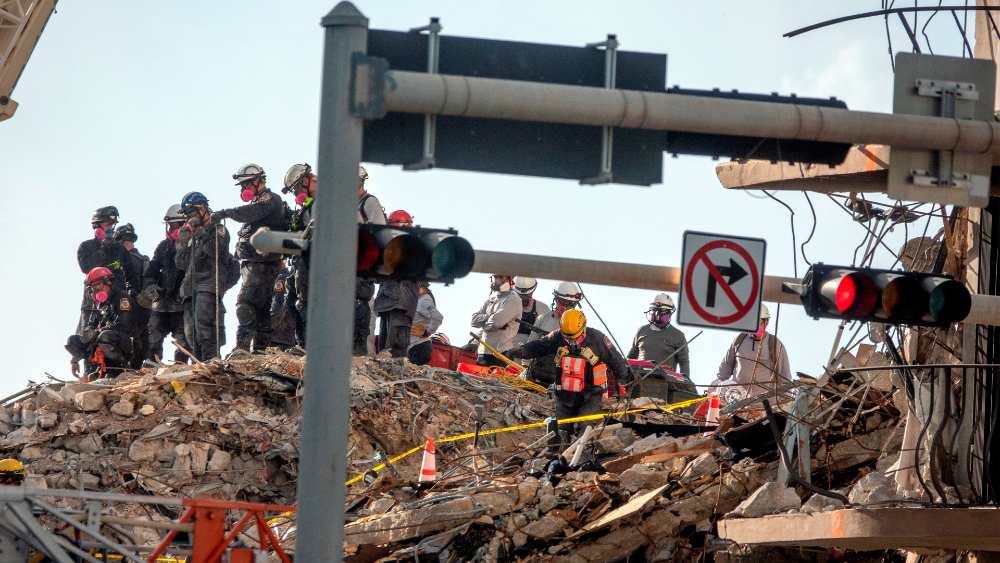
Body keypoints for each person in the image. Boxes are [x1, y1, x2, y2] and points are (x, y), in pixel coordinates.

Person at [503, 310, 630, 440]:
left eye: (574, 337)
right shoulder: (558, 336)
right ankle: (561, 451)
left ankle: (584, 451)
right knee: (561, 430)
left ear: (583, 328)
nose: (571, 341)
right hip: (565, 394)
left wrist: (622, 384)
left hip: (590, 395)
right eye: (567, 337)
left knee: (586, 428)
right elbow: (539, 346)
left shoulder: (598, 339)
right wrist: (521, 351)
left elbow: (616, 361)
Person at [211, 164, 287, 352]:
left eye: (246, 185)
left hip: (262, 264)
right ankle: (259, 351)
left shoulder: (269, 200)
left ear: (257, 181)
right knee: (261, 312)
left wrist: (227, 212)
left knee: (244, 305)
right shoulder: (258, 203)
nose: (243, 189)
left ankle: (242, 349)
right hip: (256, 264)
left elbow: (252, 212)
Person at [176, 192, 232, 361]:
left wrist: (200, 232)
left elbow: (214, 250)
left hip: (208, 285)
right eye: (187, 216)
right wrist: (183, 244)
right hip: (190, 289)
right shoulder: (194, 235)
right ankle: (199, 365)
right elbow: (181, 264)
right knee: (190, 333)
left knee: (204, 327)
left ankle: (211, 362)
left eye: (192, 214)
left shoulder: (218, 229)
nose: (189, 219)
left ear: (202, 209)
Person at [66, 267, 141, 380]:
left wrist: (96, 333)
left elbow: (124, 325)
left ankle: (122, 367)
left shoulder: (122, 298)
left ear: (108, 282)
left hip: (126, 342)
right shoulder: (100, 305)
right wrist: (75, 359)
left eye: (97, 285)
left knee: (104, 336)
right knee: (73, 340)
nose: (95, 290)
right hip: (104, 339)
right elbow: (91, 325)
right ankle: (97, 368)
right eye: (92, 288)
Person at [76, 206, 139, 332]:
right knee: (84, 337)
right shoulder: (86, 247)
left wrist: (132, 293)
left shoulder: (119, 249)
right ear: (97, 226)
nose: (110, 228)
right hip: (92, 303)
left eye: (112, 225)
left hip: (115, 301)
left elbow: (130, 273)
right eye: (107, 224)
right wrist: (103, 249)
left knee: (111, 334)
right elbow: (86, 268)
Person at [143, 205, 190, 366]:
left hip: (182, 303)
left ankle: (180, 366)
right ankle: (152, 363)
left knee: (183, 339)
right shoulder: (163, 246)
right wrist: (150, 285)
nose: (172, 229)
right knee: (154, 335)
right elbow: (152, 270)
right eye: (170, 226)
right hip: (161, 302)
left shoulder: (194, 246)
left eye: (176, 226)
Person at [715, 304, 793, 401]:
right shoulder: (739, 340)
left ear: (766, 323)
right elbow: (726, 367)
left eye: (757, 322)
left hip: (764, 406)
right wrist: (719, 387)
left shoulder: (775, 345)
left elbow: (785, 378)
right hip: (737, 404)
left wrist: (784, 403)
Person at [374, 210, 419, 358]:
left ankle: (397, 372)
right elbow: (377, 276)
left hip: (400, 304)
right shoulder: (391, 246)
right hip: (387, 302)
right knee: (384, 350)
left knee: (395, 348)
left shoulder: (411, 246)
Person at [282, 163, 316, 346]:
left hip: (313, 260)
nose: (295, 193)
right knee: (292, 301)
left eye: (296, 188)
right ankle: (301, 343)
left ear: (306, 181)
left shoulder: (326, 201)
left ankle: (309, 345)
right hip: (300, 260)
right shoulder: (307, 206)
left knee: (307, 302)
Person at [523, 281, 583, 385]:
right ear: (556, 299)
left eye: (570, 303)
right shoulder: (543, 319)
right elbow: (531, 344)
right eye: (563, 301)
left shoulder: (578, 325)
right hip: (538, 373)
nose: (566, 305)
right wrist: (525, 368)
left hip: (563, 376)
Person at [113, 223, 151, 369]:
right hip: (145, 310)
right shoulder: (143, 259)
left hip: (130, 309)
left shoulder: (127, 262)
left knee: (131, 341)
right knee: (143, 340)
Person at [355, 166, 384, 355]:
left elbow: (381, 235)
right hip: (349, 265)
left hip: (363, 266)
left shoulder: (370, 202)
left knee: (360, 307)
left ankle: (359, 351)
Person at [627, 293, 690, 377]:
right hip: (640, 379)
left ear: (670, 313)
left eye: (663, 310)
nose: (657, 314)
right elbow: (631, 357)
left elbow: (684, 363)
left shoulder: (677, 336)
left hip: (663, 381)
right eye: (654, 310)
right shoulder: (641, 331)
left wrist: (685, 382)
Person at [470, 275, 522, 367]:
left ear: (510, 279)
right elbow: (473, 320)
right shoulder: (491, 300)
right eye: (495, 277)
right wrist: (489, 316)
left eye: (501, 277)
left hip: (501, 355)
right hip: (483, 354)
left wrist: (483, 323)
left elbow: (495, 323)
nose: (497, 280)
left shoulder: (514, 300)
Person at [408, 282, 444, 365]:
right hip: (416, 347)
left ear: (420, 285)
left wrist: (427, 332)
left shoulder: (424, 300)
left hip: (419, 347)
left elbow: (437, 317)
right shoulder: (419, 300)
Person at [511, 276, 551, 348]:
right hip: (508, 350)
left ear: (532, 291)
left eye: (527, 295)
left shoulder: (543, 309)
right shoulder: (507, 307)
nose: (524, 298)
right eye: (520, 295)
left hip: (532, 351)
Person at [269, 263, 298, 351]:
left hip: (279, 336)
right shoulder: (288, 278)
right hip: (285, 336)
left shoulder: (282, 278)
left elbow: (278, 305)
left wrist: (268, 329)